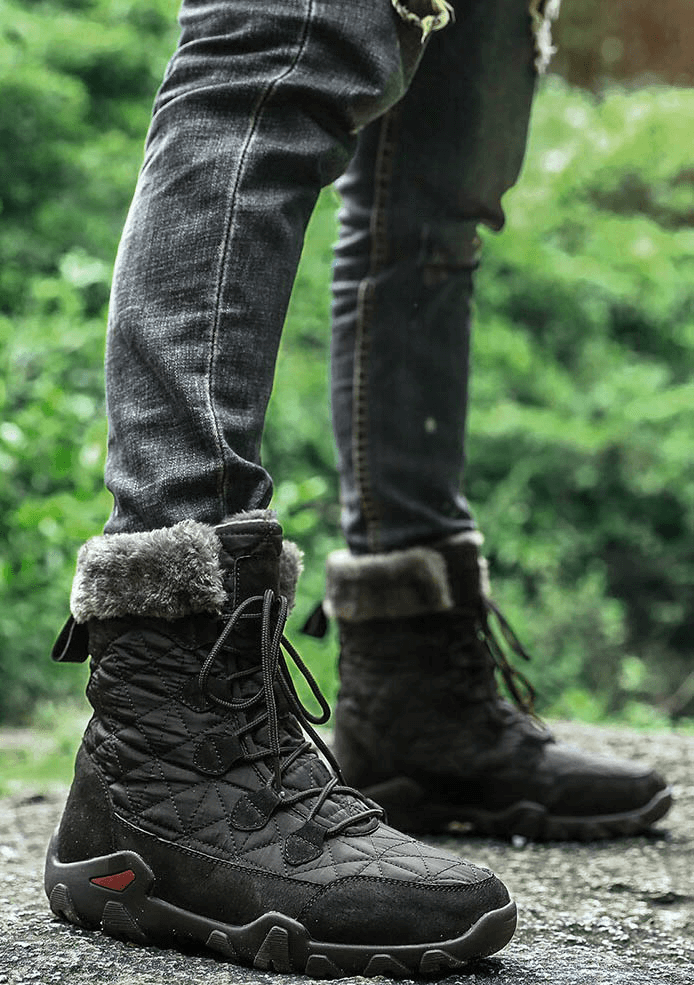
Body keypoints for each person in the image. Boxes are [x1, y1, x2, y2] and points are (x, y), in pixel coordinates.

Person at [44, 0, 671, 977]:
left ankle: (415, 686)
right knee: (279, 52)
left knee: (436, 193)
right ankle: (169, 756)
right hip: (170, 743)